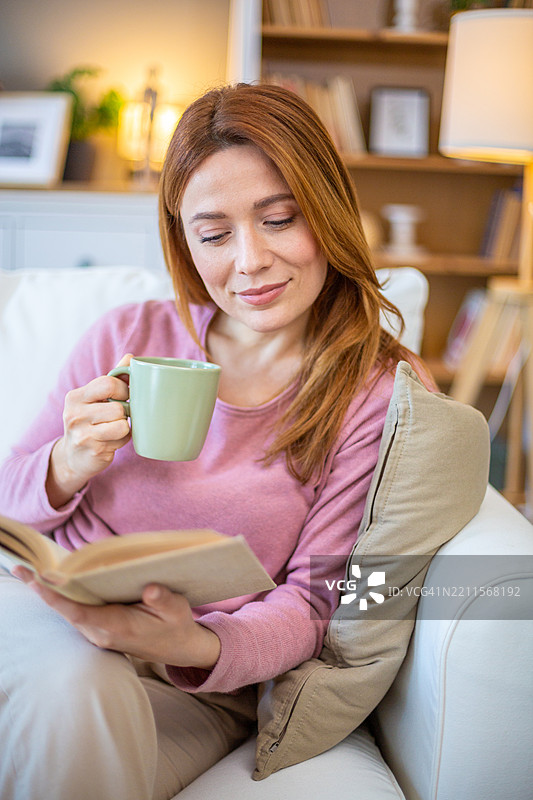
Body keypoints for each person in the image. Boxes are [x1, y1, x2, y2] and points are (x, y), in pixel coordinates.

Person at [0, 83, 428, 800]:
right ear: (185, 241)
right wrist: (66, 463)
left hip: (195, 682)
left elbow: (319, 601)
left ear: (326, 209)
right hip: (48, 623)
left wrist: (193, 646)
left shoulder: (377, 391)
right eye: (214, 233)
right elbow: (11, 496)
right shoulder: (130, 335)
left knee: (77, 702)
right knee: (69, 679)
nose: (250, 260)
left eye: (279, 219)